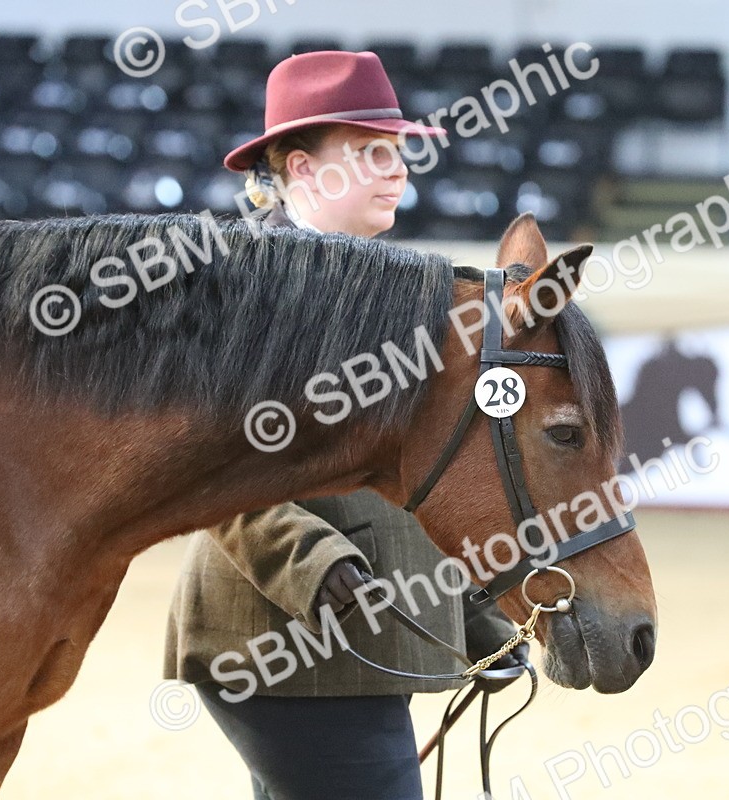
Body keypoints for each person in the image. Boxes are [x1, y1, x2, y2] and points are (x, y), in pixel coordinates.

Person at [163, 51, 527, 800]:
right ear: (302, 169)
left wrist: (477, 624)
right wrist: (311, 561)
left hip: (353, 643)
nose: (397, 171)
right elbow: (208, 466)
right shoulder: (245, 287)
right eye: (371, 153)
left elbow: (410, 485)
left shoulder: (385, 289)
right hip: (274, 642)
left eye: (398, 153)